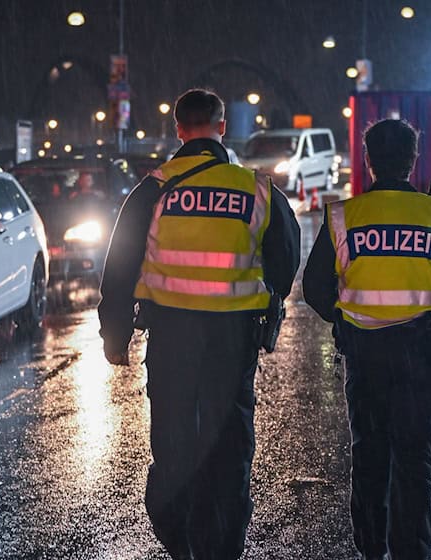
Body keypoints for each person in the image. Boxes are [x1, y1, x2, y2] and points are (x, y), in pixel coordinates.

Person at [98, 88, 300, 560]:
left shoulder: (154, 188)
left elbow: (120, 265)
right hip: (232, 341)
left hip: (172, 339)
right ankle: (225, 547)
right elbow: (285, 259)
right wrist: (264, 302)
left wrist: (116, 334)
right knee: (230, 448)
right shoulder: (256, 188)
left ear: (178, 129)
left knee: (173, 446)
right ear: (222, 128)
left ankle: (182, 542)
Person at [303, 119, 431, 560]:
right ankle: (411, 551)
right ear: (413, 161)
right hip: (420, 358)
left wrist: (344, 321)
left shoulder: (344, 216)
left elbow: (314, 286)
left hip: (364, 355)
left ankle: (372, 550)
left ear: (368, 160)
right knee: (414, 463)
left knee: (370, 458)